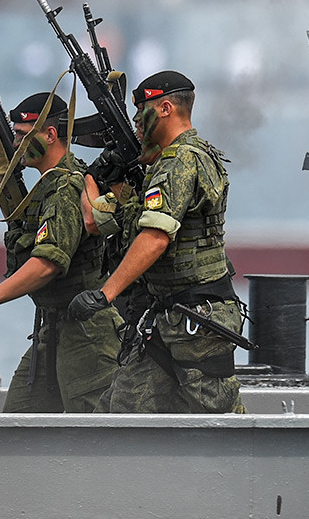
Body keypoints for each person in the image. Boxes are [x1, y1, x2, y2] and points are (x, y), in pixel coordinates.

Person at [68, 71, 245, 413]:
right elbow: (105, 222)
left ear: (165, 108)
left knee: (222, 420)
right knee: (119, 412)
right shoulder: (165, 162)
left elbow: (155, 238)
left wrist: (106, 293)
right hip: (167, 318)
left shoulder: (181, 161)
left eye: (141, 112)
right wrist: (99, 175)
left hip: (198, 320)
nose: (136, 122)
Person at [0, 93, 122, 412]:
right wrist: (2, 190)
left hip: (88, 336)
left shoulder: (64, 189)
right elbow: (28, 236)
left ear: (49, 135)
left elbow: (47, 263)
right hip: (55, 328)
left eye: (22, 135)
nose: (16, 143)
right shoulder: (55, 180)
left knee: (96, 439)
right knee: (18, 424)